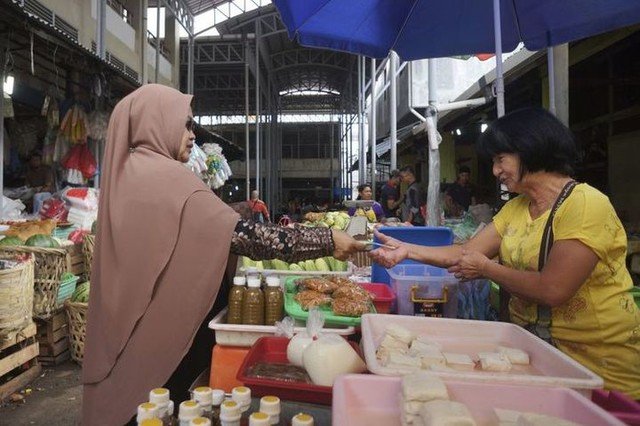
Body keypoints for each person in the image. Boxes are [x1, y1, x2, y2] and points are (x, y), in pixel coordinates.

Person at [81, 84, 365, 425]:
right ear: (155, 122)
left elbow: (198, 223)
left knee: (138, 405)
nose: (191, 135)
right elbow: (244, 237)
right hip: (158, 331)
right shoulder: (167, 178)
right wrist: (326, 239)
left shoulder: (134, 173)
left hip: (129, 324)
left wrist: (240, 209)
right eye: (184, 124)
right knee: (156, 404)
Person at [370, 107, 640, 399]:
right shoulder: (516, 208)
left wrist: (487, 269)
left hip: (599, 367)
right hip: (539, 358)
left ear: (531, 149)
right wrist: (406, 250)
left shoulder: (585, 205)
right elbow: (467, 253)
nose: (496, 171)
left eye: (501, 160)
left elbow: (553, 289)